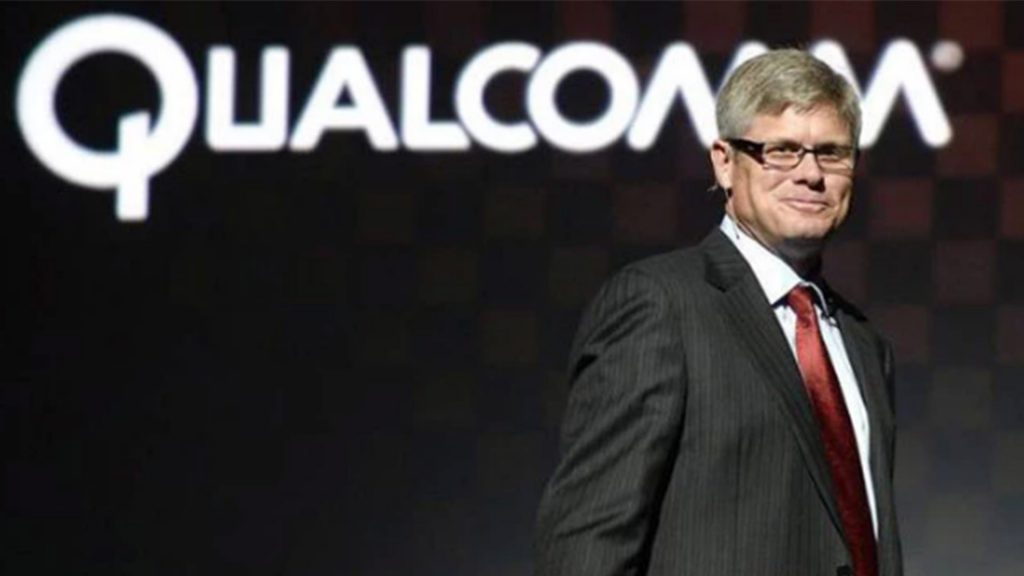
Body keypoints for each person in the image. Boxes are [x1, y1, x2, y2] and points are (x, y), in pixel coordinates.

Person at [534, 49, 902, 576]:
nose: (811, 174)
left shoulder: (865, 345)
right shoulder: (660, 304)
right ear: (724, 163)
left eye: (832, 153)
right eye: (781, 151)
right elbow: (588, 543)